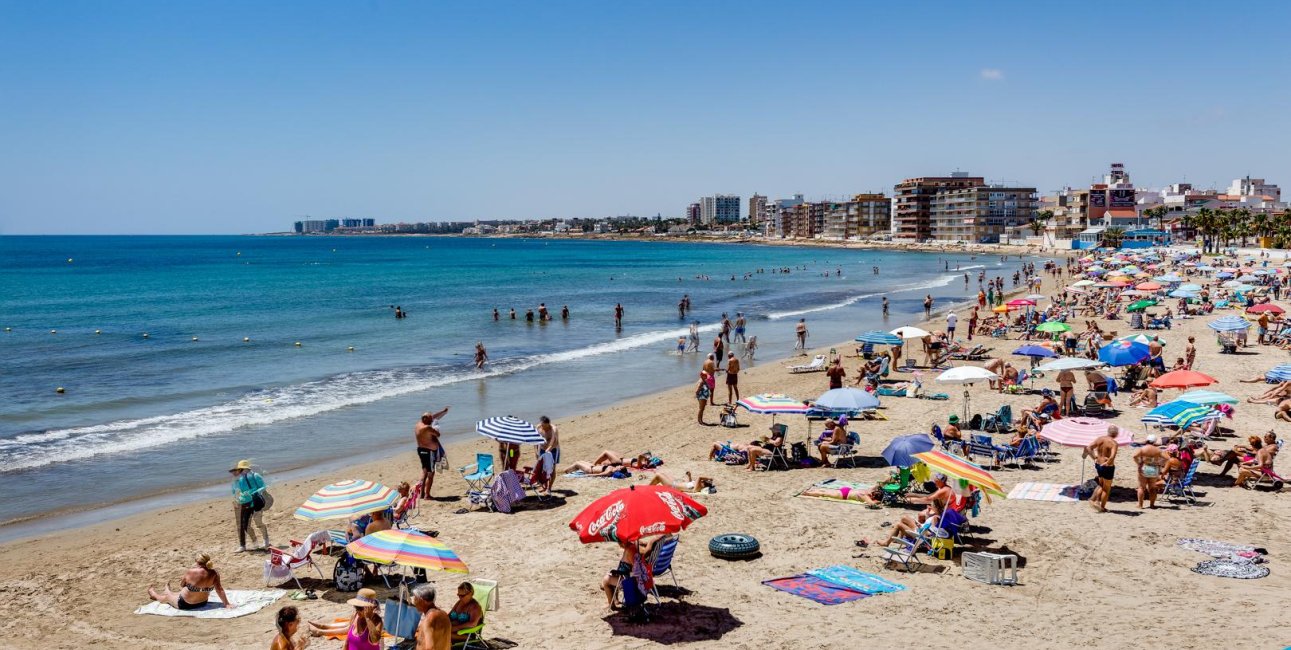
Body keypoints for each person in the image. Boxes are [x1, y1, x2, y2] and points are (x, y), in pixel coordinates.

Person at [148, 553, 231, 610]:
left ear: (197, 562)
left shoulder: (191, 572)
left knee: (166, 597)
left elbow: (182, 585)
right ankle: (168, 591)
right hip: (202, 603)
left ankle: (154, 594)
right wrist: (226, 604)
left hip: (185, 604)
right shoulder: (214, 573)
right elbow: (219, 590)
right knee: (177, 593)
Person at [309, 588, 383, 649]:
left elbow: (375, 640)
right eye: (356, 607)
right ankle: (322, 627)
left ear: (371, 608)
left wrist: (368, 619)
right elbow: (347, 640)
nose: (357, 610)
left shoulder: (377, 621)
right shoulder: (356, 615)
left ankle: (321, 629)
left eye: (360, 608)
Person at [602, 536, 659, 609]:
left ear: (622, 542)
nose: (619, 545)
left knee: (606, 580)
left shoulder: (629, 551)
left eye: (619, 542)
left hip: (631, 583)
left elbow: (636, 570)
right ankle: (615, 600)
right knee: (612, 575)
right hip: (642, 579)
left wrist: (620, 572)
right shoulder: (635, 546)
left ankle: (611, 605)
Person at [229, 459, 270, 552]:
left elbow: (263, 486)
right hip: (245, 503)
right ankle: (252, 543)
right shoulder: (240, 479)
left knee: (258, 522)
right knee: (244, 524)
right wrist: (237, 496)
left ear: (246, 469)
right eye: (240, 470)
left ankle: (266, 540)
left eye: (242, 469)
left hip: (256, 502)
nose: (240, 471)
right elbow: (238, 491)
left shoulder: (255, 476)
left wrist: (254, 492)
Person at [415, 407, 450, 499]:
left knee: (424, 472)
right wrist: (436, 428)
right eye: (430, 420)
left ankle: (421, 494)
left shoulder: (419, 423)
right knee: (431, 474)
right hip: (429, 452)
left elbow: (433, 417)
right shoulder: (427, 428)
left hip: (421, 450)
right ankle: (427, 495)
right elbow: (438, 434)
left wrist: (443, 412)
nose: (432, 421)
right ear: (426, 419)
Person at [1084, 425, 1120, 512]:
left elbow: (1088, 447)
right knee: (1106, 488)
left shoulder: (1100, 439)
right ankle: (1101, 506)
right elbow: (1112, 456)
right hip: (1107, 466)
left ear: (1108, 432)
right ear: (1116, 434)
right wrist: (1107, 463)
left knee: (1101, 484)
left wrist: (1094, 457)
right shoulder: (1114, 443)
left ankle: (1093, 499)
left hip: (1098, 464)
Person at [1133, 434, 1168, 509]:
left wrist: (1139, 463)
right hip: (1154, 468)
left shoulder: (1142, 449)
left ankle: (1140, 505)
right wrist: (1160, 463)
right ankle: (1152, 505)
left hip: (1144, 467)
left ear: (1147, 440)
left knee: (1141, 488)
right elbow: (1167, 458)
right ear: (1154, 441)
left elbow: (1134, 456)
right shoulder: (1158, 450)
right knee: (1152, 488)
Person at [413, 583, 451, 650]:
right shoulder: (443, 614)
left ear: (422, 600)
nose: (414, 602)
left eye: (415, 599)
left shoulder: (429, 619)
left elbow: (430, 648)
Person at [650, 470, 715, 492]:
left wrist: (709, 478)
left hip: (673, 486)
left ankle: (647, 488)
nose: (702, 481)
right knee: (662, 473)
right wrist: (689, 476)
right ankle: (649, 488)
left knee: (658, 475)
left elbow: (700, 477)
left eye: (704, 481)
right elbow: (689, 484)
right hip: (674, 483)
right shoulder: (696, 484)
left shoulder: (698, 488)